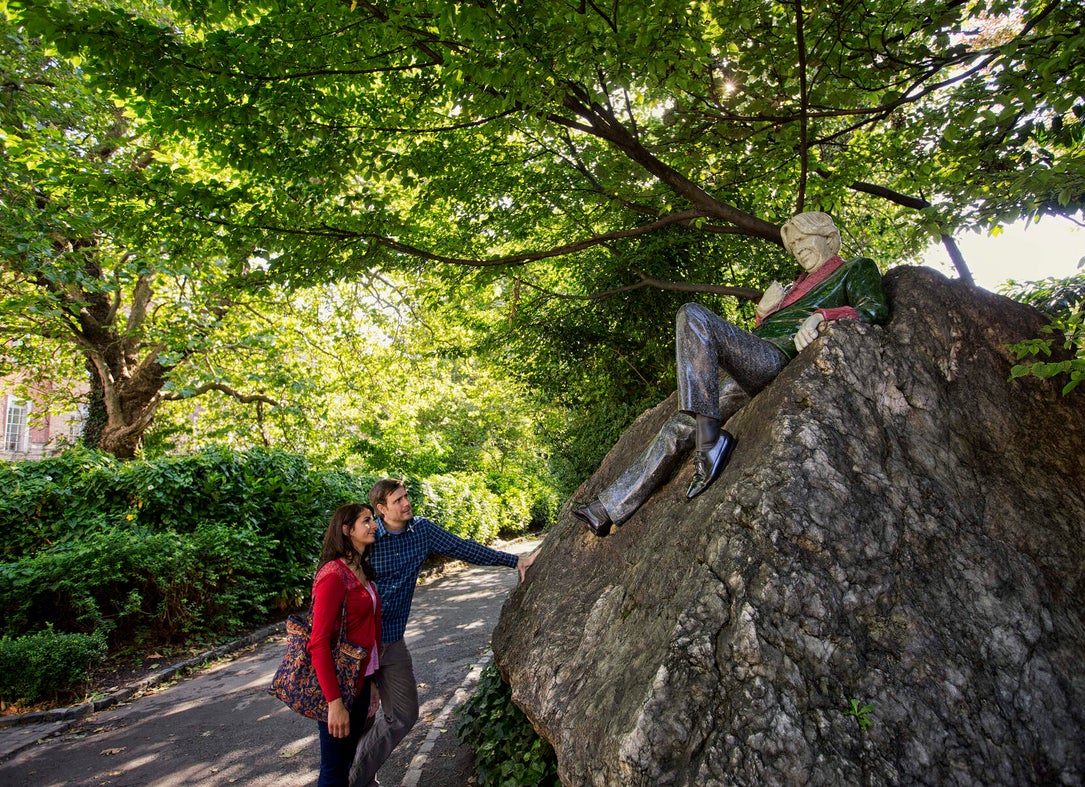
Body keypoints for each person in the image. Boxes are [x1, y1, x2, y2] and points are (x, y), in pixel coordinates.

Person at [573, 211, 889, 536]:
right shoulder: (793, 287)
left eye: (803, 239)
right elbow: (764, 331)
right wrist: (764, 312)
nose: (797, 249)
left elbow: (874, 308)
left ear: (827, 237)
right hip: (754, 361)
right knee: (681, 425)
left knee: (693, 314)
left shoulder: (854, 268)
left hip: (778, 358)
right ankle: (606, 509)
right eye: (792, 245)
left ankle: (711, 444)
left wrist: (821, 317)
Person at [349, 478, 538, 787]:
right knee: (360, 719)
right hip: (357, 645)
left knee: (403, 715)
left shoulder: (421, 530)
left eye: (406, 496)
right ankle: (359, 779)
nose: (406, 502)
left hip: (391, 641)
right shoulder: (367, 537)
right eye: (398, 500)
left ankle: (354, 776)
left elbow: (463, 548)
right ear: (381, 509)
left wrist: (515, 560)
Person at [309, 503, 382, 787]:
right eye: (366, 521)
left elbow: (367, 631)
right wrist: (334, 704)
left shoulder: (360, 569)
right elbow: (318, 643)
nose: (374, 525)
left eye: (373, 520)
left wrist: (372, 681)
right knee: (335, 771)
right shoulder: (333, 575)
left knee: (347, 762)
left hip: (361, 682)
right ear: (347, 530)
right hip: (341, 688)